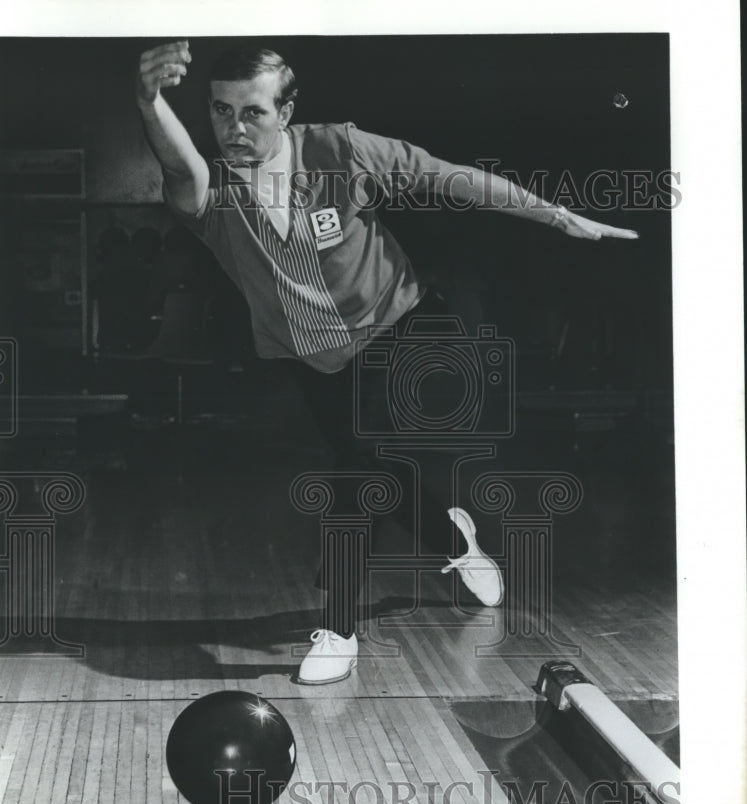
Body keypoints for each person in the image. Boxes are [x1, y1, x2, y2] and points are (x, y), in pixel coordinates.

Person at [135, 40, 638, 684]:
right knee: (382, 471)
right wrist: (148, 100)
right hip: (313, 356)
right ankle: (456, 542)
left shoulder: (341, 150)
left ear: (285, 112)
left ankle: (338, 628)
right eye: (220, 111)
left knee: (356, 470)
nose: (234, 128)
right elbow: (178, 168)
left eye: (252, 112)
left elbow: (448, 177)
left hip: (396, 325)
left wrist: (553, 214)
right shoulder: (214, 191)